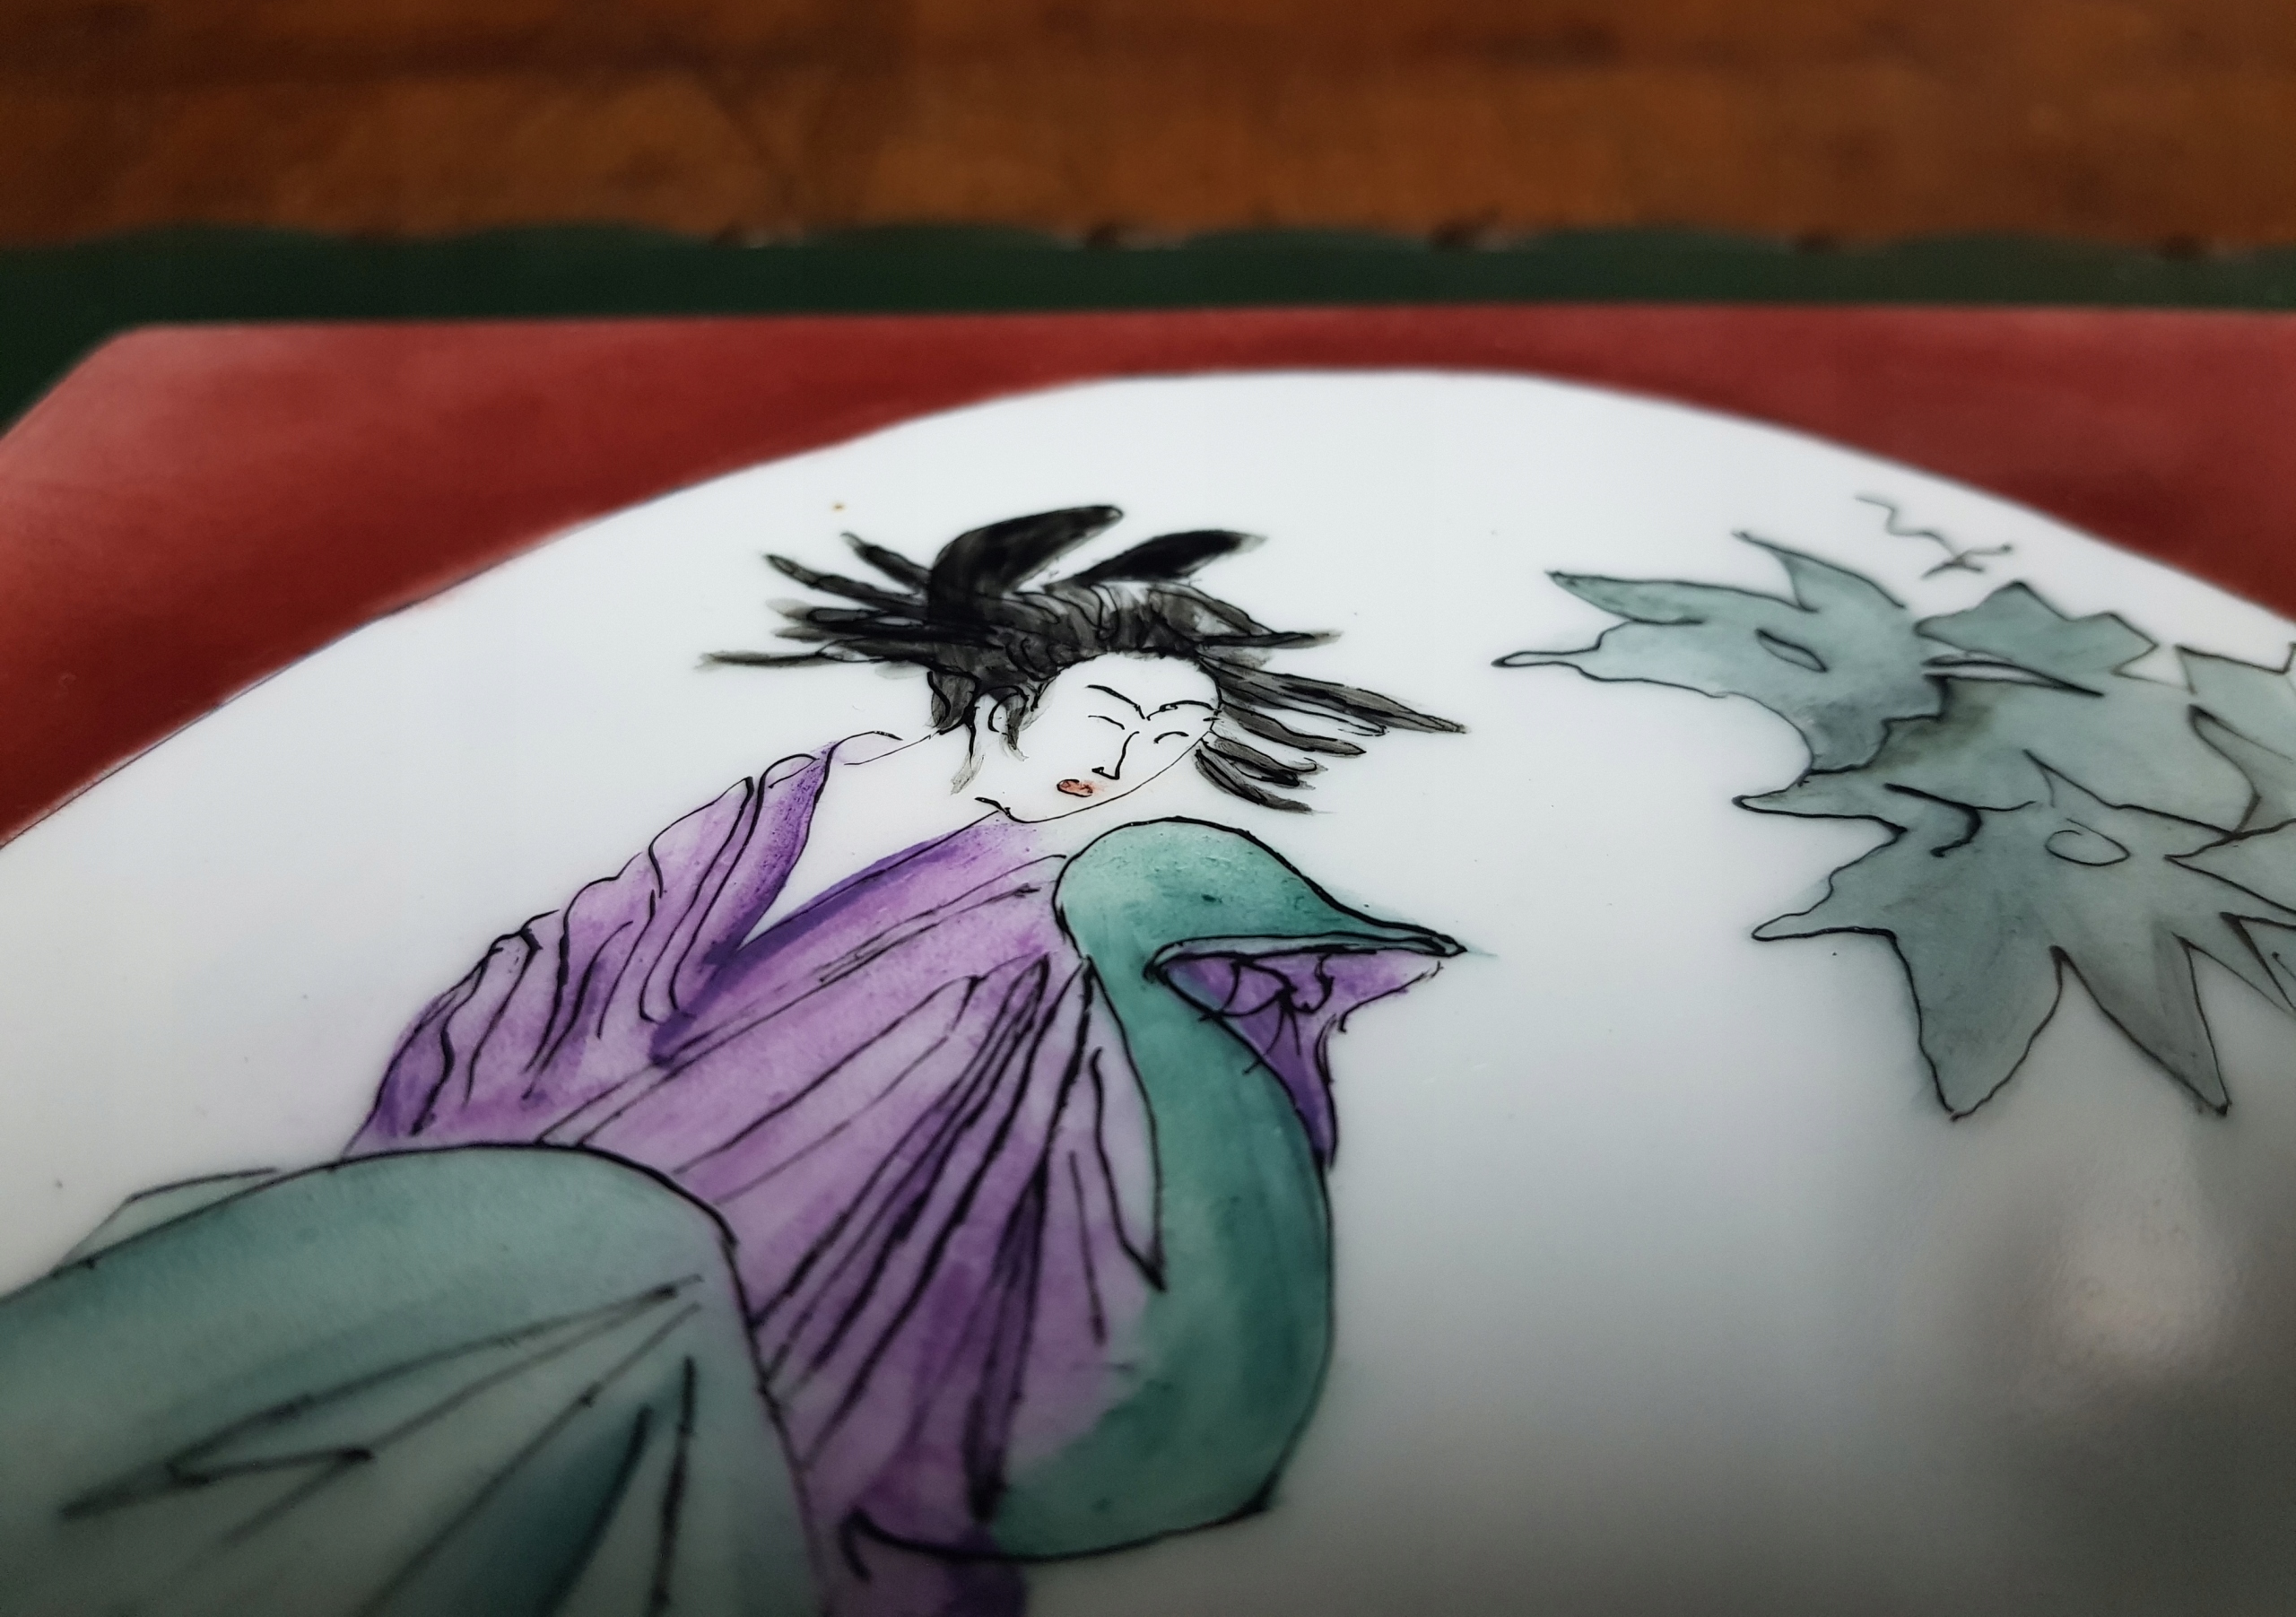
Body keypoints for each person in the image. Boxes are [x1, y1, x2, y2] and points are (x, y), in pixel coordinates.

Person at [0, 507, 1463, 1617]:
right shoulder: (780, 805)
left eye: (1171, 738)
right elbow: (544, 984)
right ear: (1007, 696)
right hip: (526, 1204)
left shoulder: (1055, 907)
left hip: (803, 1290)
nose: (1132, 760)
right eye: (1113, 717)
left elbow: (1045, 1149)